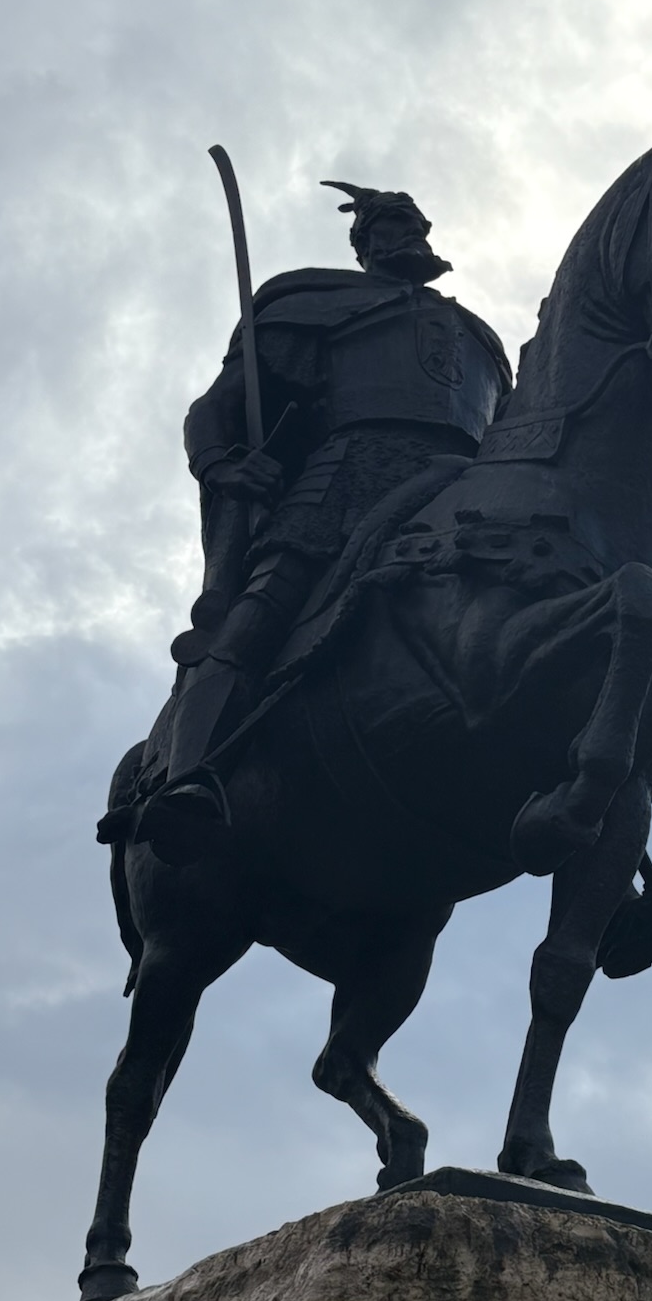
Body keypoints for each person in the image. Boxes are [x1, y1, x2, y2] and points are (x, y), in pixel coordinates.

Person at [140, 181, 512, 833]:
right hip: (347, 479)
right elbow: (217, 406)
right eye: (394, 222)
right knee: (261, 609)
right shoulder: (313, 305)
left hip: (467, 493)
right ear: (363, 241)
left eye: (417, 222)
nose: (414, 232)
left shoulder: (481, 340)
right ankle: (189, 777)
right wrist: (221, 463)